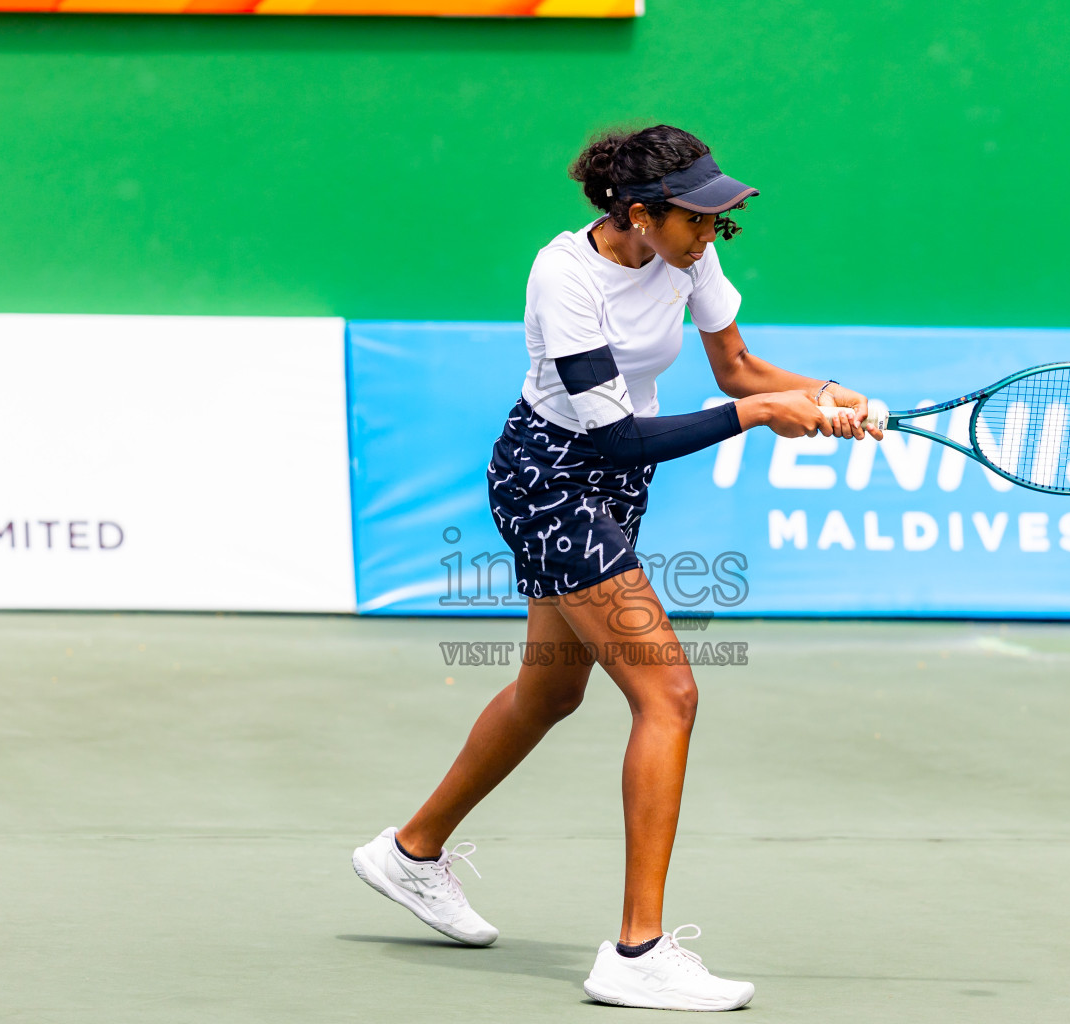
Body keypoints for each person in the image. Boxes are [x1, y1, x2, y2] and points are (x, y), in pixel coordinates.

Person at [352, 124, 882, 1012]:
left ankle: (409, 852)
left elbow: (739, 365)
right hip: (552, 478)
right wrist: (757, 418)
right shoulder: (564, 276)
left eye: (717, 218)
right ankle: (636, 951)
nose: (710, 233)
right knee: (669, 693)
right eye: (695, 220)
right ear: (637, 214)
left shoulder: (689, 255)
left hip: (615, 483)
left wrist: (831, 397)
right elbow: (613, 432)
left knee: (551, 690)